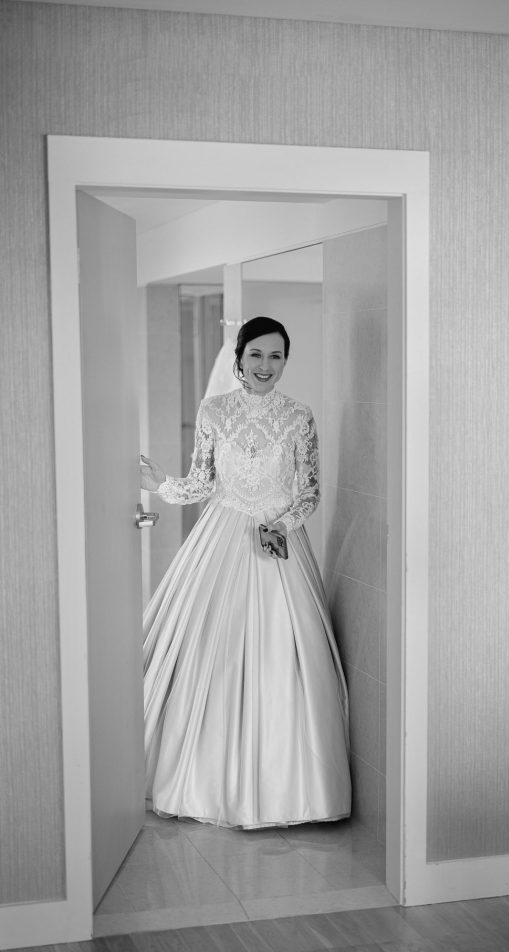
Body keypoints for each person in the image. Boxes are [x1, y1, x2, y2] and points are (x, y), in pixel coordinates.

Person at [139, 316, 351, 829]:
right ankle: (201, 779)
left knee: (283, 653)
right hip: (222, 538)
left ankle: (291, 788)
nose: (265, 365)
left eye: (276, 356)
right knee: (213, 648)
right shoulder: (213, 411)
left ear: (285, 361)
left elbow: (310, 493)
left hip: (278, 542)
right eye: (256, 354)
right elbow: (201, 484)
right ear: (239, 357)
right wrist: (160, 483)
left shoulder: (299, 417)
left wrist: (281, 525)